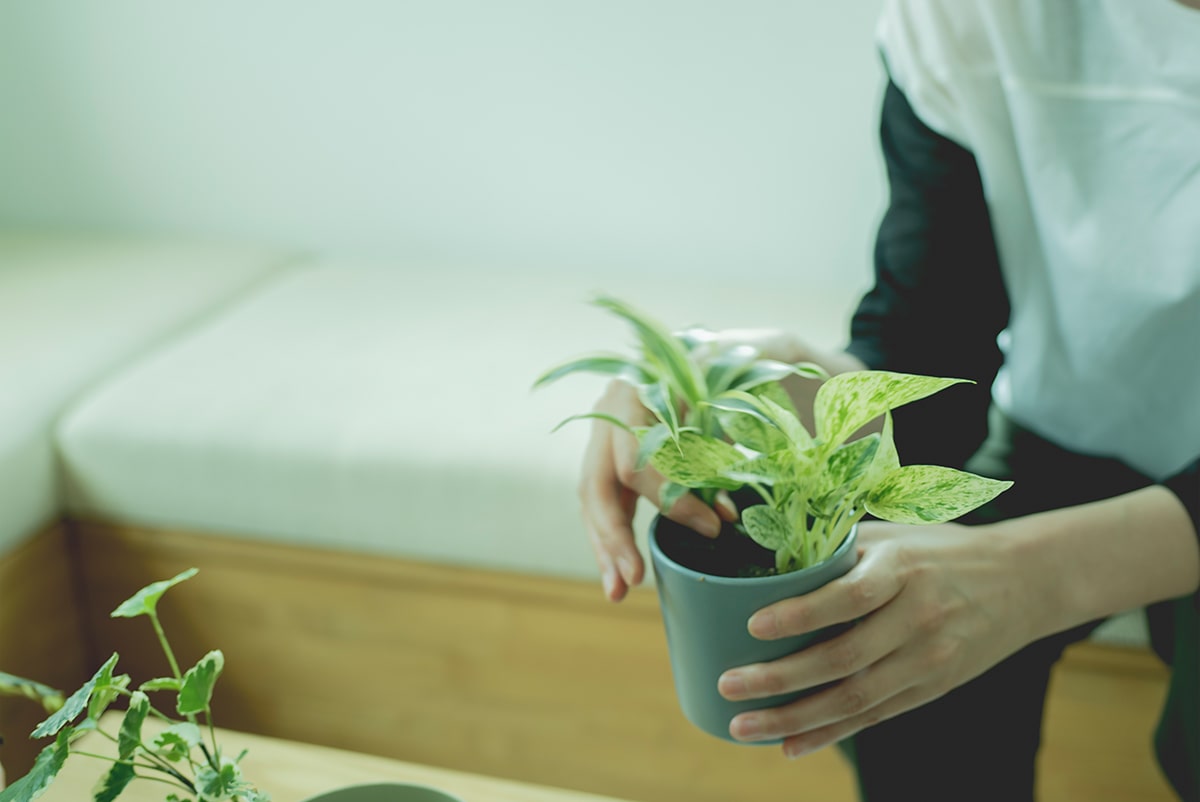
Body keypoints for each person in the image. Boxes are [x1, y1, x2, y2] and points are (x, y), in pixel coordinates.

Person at [574, 2, 1200, 800]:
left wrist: (1041, 576)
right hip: (1074, 419)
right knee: (901, 679)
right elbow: (936, 335)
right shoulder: (970, 17)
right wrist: (783, 383)